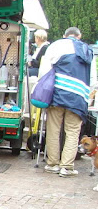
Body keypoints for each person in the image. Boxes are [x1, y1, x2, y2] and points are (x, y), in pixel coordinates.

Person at [39, 27, 97, 177]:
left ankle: (52, 164)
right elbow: (92, 80)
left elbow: (44, 71)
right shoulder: (87, 50)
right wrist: (88, 98)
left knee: (53, 129)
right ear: (79, 36)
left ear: (64, 35)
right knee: (72, 132)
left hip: (57, 94)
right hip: (78, 97)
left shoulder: (56, 45)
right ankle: (67, 167)